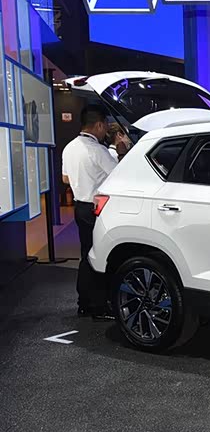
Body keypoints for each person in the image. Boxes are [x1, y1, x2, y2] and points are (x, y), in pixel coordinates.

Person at [62, 105, 118, 318]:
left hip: (80, 207)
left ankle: (84, 302)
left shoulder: (69, 147)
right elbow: (118, 176)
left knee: (86, 255)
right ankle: (98, 306)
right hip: (96, 209)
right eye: (105, 126)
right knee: (98, 256)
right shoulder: (97, 150)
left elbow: (65, 179)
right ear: (99, 125)